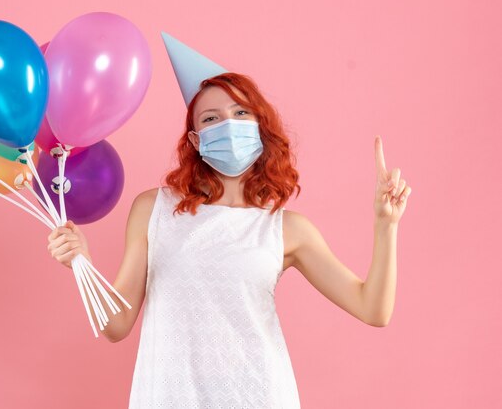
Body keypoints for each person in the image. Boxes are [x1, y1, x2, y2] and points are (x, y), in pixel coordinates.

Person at [46, 32, 411, 408]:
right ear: (196, 139)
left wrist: (387, 225)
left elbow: (373, 309)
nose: (229, 124)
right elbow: (117, 325)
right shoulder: (153, 209)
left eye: (240, 113)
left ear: (259, 127)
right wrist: (81, 263)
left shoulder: (286, 229)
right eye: (211, 118)